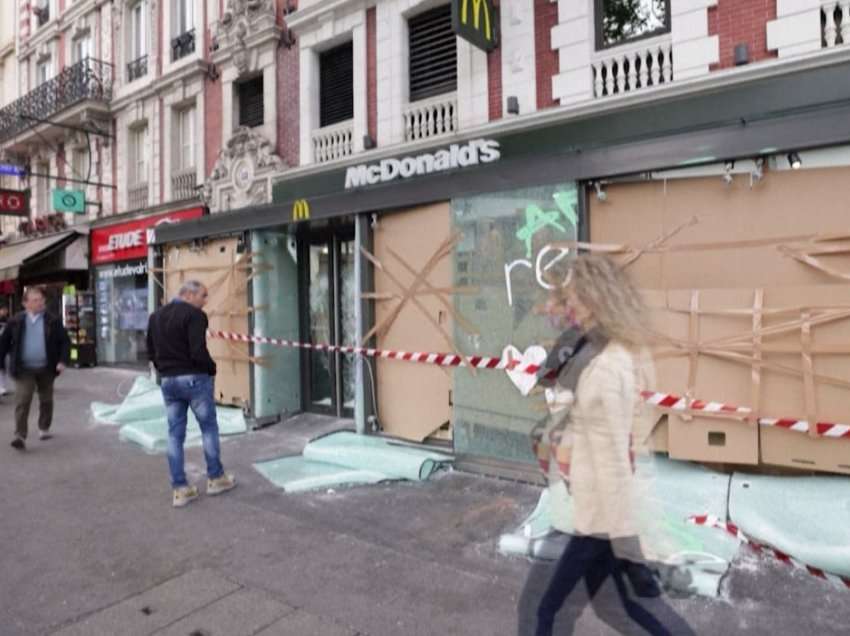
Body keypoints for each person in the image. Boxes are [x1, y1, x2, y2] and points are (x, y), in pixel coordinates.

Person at [519, 254, 693, 636]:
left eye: (574, 300)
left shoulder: (609, 365)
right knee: (629, 608)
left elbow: (616, 457)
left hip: (600, 525)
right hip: (598, 518)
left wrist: (625, 540)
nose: (570, 309)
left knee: (543, 610)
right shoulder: (600, 355)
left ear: (596, 299)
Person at [146, 280, 236, 508]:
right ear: (189, 294)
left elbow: (150, 351)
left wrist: (164, 370)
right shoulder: (195, 315)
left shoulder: (155, 317)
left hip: (168, 380)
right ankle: (216, 478)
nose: (205, 301)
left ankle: (180, 489)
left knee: (175, 434)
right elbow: (198, 349)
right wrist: (211, 368)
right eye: (203, 296)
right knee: (208, 427)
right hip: (194, 378)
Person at [0, 286, 70, 450]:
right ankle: (20, 435)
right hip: (23, 368)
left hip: (46, 367)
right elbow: (3, 344)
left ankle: (44, 427)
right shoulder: (15, 321)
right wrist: (1, 363)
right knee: (23, 400)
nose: (40, 303)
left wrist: (62, 361)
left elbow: (65, 342)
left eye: (41, 299)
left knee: (46, 400)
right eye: (35, 300)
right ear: (25, 304)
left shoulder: (52, 320)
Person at [0, 305, 9, 396]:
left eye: (6, 310)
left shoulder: (7, 320)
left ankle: (2, 387)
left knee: (2, 367)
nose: (5, 311)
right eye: (3, 310)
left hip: (3, 346)